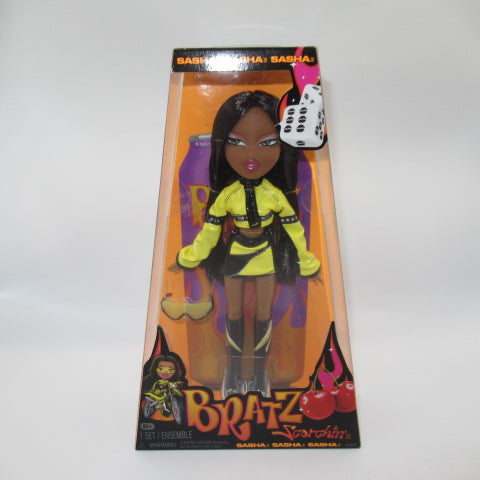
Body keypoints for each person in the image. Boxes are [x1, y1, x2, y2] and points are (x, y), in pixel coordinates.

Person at [170, 90, 320, 398]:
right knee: (234, 311)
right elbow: (210, 231)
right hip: (236, 254)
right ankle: (234, 372)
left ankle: (261, 373)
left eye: (267, 142)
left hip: (265, 254)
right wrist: (191, 256)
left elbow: (294, 230)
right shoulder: (227, 195)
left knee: (264, 313)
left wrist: (306, 259)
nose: (250, 154)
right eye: (236, 142)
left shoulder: (275, 195)